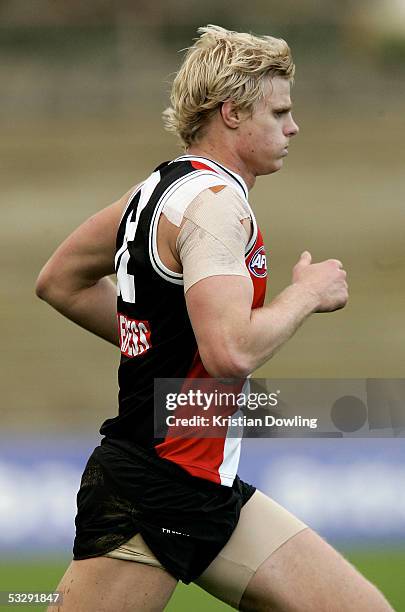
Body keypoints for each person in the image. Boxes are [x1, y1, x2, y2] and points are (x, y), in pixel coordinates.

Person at [36, 25, 392, 612]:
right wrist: (306, 294)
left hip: (207, 487)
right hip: (152, 489)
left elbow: (60, 281)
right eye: (278, 112)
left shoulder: (158, 188)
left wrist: (153, 344)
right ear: (231, 113)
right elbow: (232, 354)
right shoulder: (217, 205)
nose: (293, 127)